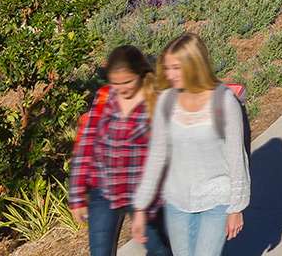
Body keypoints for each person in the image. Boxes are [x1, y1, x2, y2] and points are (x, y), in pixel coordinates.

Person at [131, 34, 248, 256]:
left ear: (194, 65)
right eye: (167, 68)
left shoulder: (224, 102)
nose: (169, 74)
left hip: (216, 199)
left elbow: (236, 157)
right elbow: (156, 156)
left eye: (176, 68)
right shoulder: (166, 101)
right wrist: (140, 206)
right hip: (176, 200)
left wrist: (236, 208)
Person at [71, 45, 173, 256]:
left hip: (144, 194)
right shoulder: (105, 97)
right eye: (116, 83)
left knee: (159, 251)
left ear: (140, 73)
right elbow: (86, 145)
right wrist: (77, 196)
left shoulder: (155, 100)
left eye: (127, 82)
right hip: (104, 191)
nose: (122, 88)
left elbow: (165, 153)